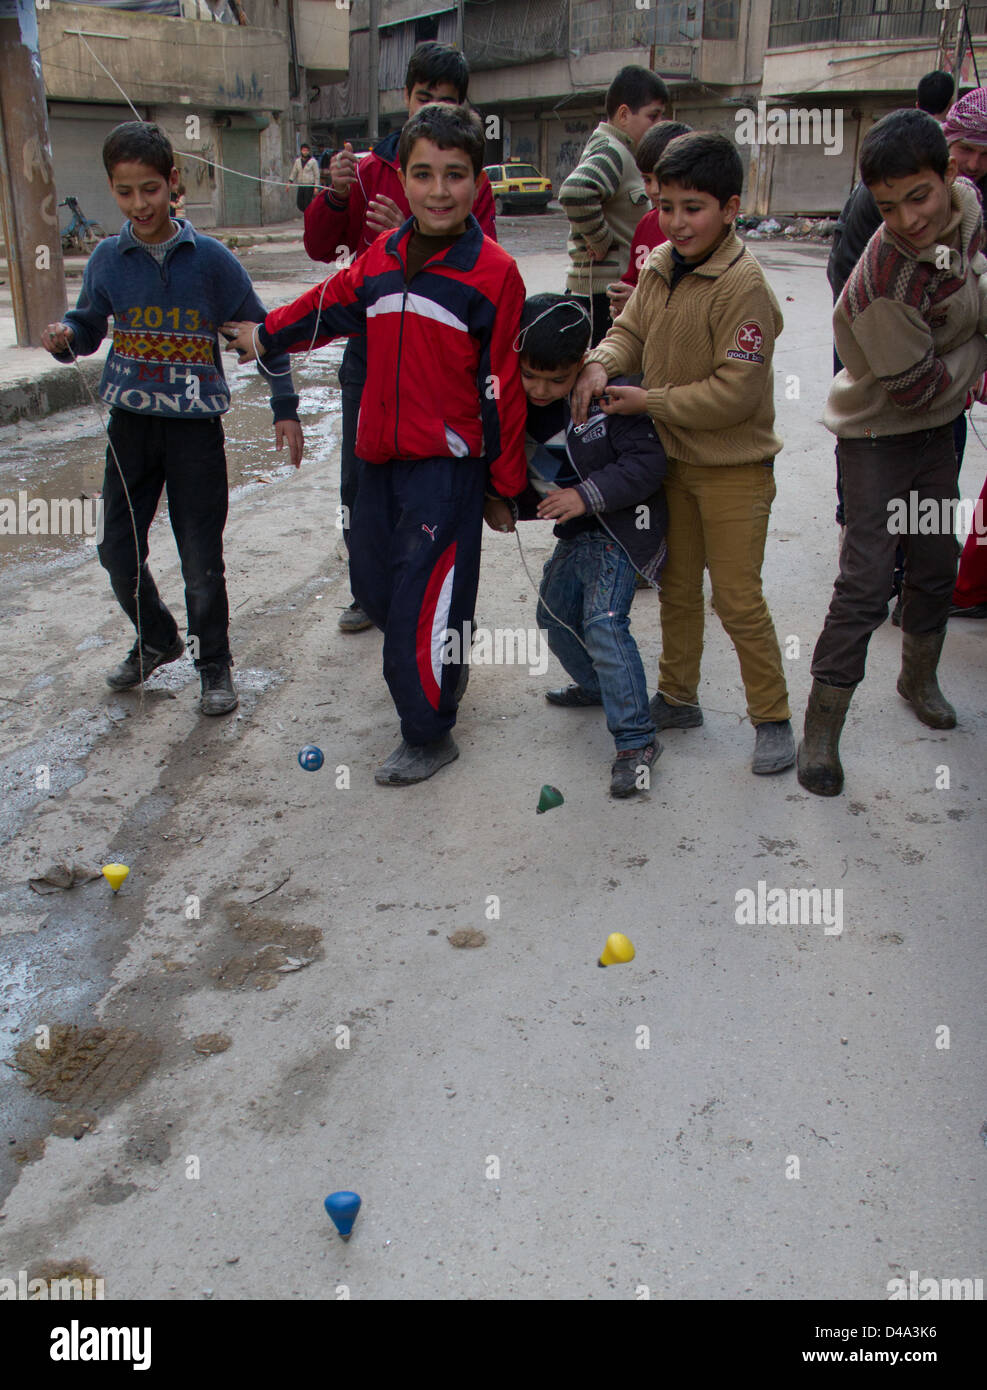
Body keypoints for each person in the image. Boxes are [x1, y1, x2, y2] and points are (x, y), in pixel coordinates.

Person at [222, 105, 526, 785]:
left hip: (446, 470)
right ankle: (445, 666)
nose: (438, 190)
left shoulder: (493, 273)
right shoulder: (382, 256)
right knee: (374, 587)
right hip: (376, 460)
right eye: (423, 174)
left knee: (423, 600)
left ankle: (428, 733)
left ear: (479, 183)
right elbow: (326, 304)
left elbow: (502, 382)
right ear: (403, 178)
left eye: (455, 175)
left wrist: (506, 488)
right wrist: (266, 335)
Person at [41, 121, 303, 716]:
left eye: (151, 189)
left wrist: (285, 408)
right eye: (127, 192)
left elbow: (265, 334)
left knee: (199, 555)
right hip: (129, 429)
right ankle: (157, 637)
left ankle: (215, 666)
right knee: (116, 549)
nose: (140, 204)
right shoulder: (107, 259)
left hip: (194, 433)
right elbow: (87, 328)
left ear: (173, 184)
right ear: (113, 190)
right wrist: (64, 336)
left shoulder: (211, 262)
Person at [572, 131, 795, 777]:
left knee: (735, 598)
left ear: (729, 208)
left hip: (734, 470)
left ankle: (772, 717)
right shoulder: (660, 263)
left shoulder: (743, 286)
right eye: (665, 205)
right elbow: (629, 331)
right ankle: (677, 697)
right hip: (671, 466)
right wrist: (597, 364)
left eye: (692, 207)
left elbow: (734, 392)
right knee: (674, 587)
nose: (676, 221)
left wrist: (649, 402)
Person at [797, 110, 987, 796]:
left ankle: (917, 676)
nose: (907, 219)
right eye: (886, 207)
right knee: (865, 582)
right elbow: (919, 388)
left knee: (936, 561)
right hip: (880, 432)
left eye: (919, 196)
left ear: (948, 177)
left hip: (939, 433)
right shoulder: (881, 281)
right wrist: (975, 353)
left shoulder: (965, 212)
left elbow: (976, 282)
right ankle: (820, 729)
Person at [304, 42, 497, 636]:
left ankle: (433, 590)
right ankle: (369, 590)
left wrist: (418, 233)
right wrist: (335, 198)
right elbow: (321, 248)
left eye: (446, 101)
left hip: (440, 353)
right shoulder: (366, 169)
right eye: (423, 98)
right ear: (404, 99)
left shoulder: (471, 177)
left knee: (434, 478)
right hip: (373, 341)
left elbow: (482, 260)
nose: (432, 109)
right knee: (362, 474)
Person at [485, 294, 668, 797]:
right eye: (531, 375)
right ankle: (596, 686)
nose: (542, 389)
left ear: (583, 364)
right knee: (553, 615)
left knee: (604, 623)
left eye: (557, 379)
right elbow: (517, 469)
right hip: (576, 534)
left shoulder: (611, 397)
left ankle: (636, 740)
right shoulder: (507, 402)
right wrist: (496, 499)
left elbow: (648, 466)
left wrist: (586, 496)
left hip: (620, 530)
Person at [559, 65, 667, 347]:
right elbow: (576, 191)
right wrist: (600, 239)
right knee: (604, 379)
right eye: (652, 116)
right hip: (600, 295)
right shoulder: (613, 150)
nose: (657, 125)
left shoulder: (622, 151)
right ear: (623, 114)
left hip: (610, 291)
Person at [607, 120, 691, 323]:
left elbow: (693, 306)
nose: (654, 190)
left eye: (661, 179)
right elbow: (633, 279)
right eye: (646, 179)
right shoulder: (646, 224)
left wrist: (637, 301)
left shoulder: (697, 234)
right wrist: (620, 302)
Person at [287, 143, 320, 213]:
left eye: (307, 150)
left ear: (309, 151)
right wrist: (289, 182)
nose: (305, 152)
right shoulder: (297, 161)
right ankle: (307, 213)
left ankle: (308, 215)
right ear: (301, 151)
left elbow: (316, 175)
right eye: (304, 150)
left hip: (309, 185)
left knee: (307, 203)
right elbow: (294, 172)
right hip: (301, 184)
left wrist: (316, 187)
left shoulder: (313, 161)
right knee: (299, 203)